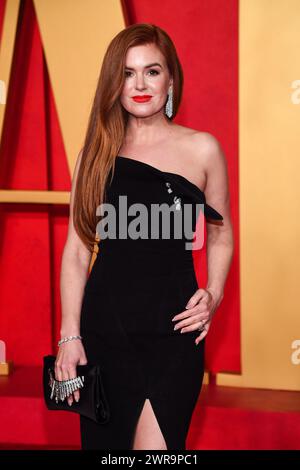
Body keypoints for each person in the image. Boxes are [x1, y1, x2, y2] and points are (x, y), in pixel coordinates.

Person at [55, 23, 234, 450]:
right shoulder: (94, 156)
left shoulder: (202, 149)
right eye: (128, 73)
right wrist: (69, 336)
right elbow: (78, 251)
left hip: (174, 334)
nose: (139, 84)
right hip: (104, 333)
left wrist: (214, 293)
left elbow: (221, 234)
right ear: (113, 82)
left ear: (171, 78)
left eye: (152, 71)